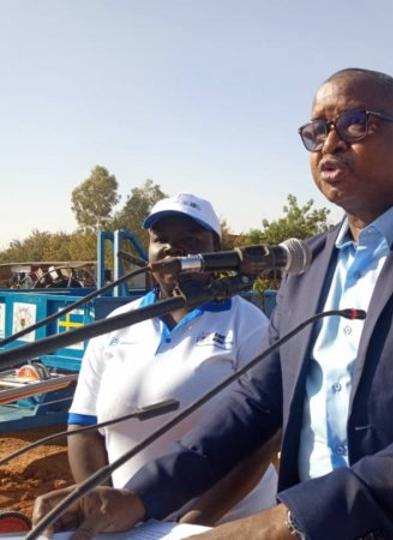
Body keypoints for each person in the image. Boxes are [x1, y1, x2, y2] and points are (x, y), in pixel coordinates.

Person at [34, 69, 393, 539]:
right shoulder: (306, 265)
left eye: (355, 123)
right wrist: (139, 497)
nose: (330, 143)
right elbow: (255, 405)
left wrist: (290, 522)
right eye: (317, 131)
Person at [64, 193, 278, 525]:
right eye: (160, 239)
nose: (172, 248)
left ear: (217, 250)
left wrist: (192, 524)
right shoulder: (117, 325)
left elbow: (262, 441)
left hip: (226, 525)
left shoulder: (248, 324)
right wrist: (99, 506)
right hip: (132, 525)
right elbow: (83, 428)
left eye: (191, 240)